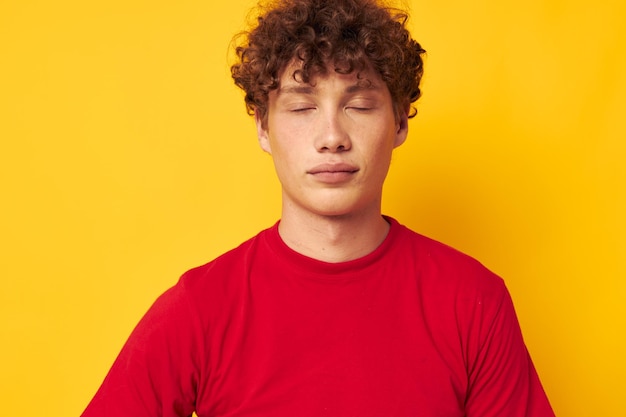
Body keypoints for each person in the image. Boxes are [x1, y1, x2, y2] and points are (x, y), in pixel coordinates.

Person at [82, 0, 555, 415]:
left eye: (361, 106)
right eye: (302, 108)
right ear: (264, 129)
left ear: (400, 124)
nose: (332, 138)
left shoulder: (474, 303)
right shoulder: (199, 310)